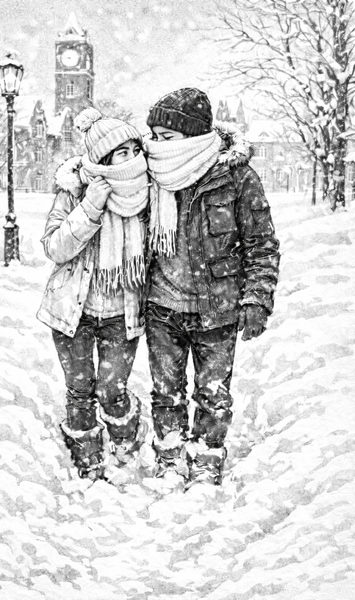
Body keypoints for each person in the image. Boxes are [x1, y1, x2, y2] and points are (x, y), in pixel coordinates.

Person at [144, 88, 280, 487]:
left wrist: (256, 300)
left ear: (191, 136)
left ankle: (206, 458)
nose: (155, 144)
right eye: (153, 135)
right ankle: (170, 457)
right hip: (161, 306)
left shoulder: (236, 178)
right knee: (166, 393)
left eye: (165, 136)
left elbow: (261, 243)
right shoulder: (152, 176)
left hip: (217, 309)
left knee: (213, 395)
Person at [37, 107, 149, 482]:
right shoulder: (74, 191)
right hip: (73, 311)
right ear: (103, 158)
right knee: (80, 389)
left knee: (112, 390)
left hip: (122, 311)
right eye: (122, 153)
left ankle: (126, 440)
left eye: (135, 151)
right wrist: (90, 207)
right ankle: (87, 458)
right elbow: (55, 247)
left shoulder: (146, 196)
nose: (132, 159)